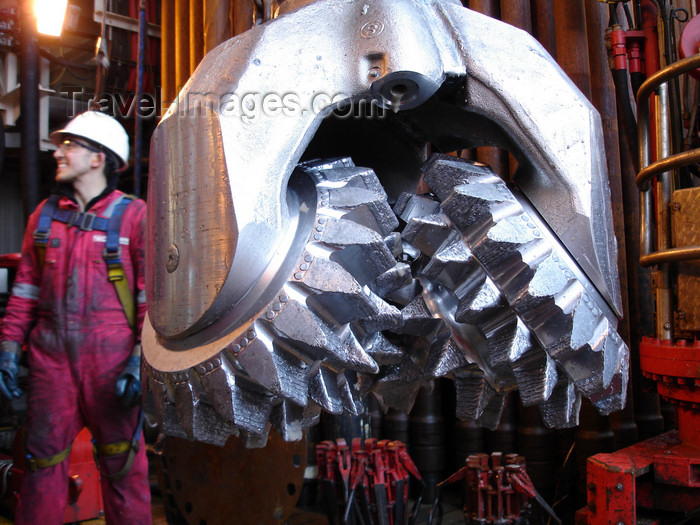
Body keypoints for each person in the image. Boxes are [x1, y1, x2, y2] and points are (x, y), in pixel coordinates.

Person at [0, 111, 151, 524]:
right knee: (41, 469)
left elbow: (147, 300)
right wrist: (9, 347)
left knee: (124, 469)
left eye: (70, 145)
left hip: (113, 365)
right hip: (52, 365)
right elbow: (25, 292)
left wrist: (140, 362)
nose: (59, 153)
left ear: (99, 158)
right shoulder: (44, 219)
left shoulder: (134, 217)